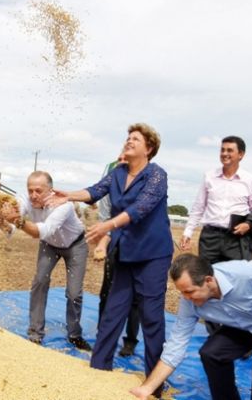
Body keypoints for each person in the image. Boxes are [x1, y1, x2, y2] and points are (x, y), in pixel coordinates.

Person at [46, 123, 173, 397]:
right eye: (128, 137)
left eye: (135, 139)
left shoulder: (157, 176)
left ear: (148, 148)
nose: (129, 141)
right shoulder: (118, 172)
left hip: (152, 254)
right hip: (126, 252)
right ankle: (98, 369)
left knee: (151, 316)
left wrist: (108, 226)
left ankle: (154, 384)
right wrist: (67, 194)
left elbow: (141, 208)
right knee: (114, 310)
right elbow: (95, 191)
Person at [130, 253, 252, 400]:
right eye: (182, 292)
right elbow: (176, 345)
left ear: (208, 280)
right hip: (243, 325)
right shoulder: (189, 302)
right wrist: (146, 389)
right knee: (211, 353)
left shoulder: (245, 273)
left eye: (189, 291)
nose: (186, 298)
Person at [0, 170, 91, 351]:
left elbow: (44, 230)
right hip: (50, 245)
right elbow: (11, 228)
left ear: (50, 190)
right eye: (30, 190)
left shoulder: (63, 205)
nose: (33, 195)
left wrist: (19, 222)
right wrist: (2, 220)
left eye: (38, 191)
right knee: (39, 282)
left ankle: (75, 335)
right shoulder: (25, 199)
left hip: (75, 245)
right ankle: (35, 333)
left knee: (74, 293)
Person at [180, 136, 252, 264]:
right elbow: (199, 207)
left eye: (229, 150)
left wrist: (249, 225)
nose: (224, 154)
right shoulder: (209, 177)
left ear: (241, 154)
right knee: (207, 278)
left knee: (234, 278)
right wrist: (188, 232)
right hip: (209, 238)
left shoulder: (251, 180)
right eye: (222, 150)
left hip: (236, 238)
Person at [94, 152, 140, 357]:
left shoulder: (144, 183)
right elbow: (105, 218)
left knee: (135, 296)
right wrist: (103, 244)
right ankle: (102, 332)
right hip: (115, 241)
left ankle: (130, 341)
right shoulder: (110, 188)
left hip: (138, 244)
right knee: (107, 290)